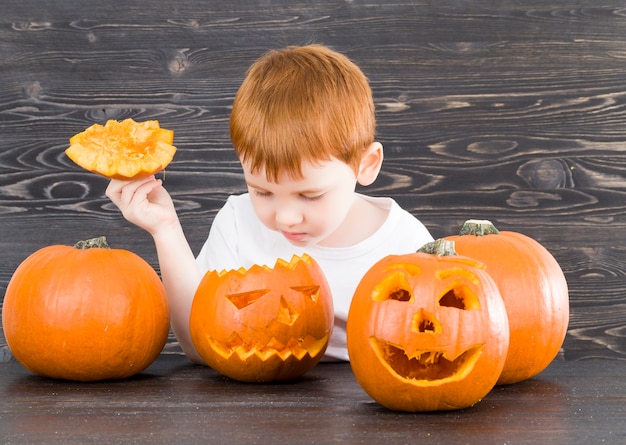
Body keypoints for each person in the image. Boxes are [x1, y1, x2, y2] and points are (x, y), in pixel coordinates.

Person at [106, 44, 433, 364]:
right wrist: (165, 229)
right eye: (262, 192)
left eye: (311, 195)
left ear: (366, 165)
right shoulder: (237, 223)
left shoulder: (406, 244)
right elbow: (199, 343)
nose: (286, 217)